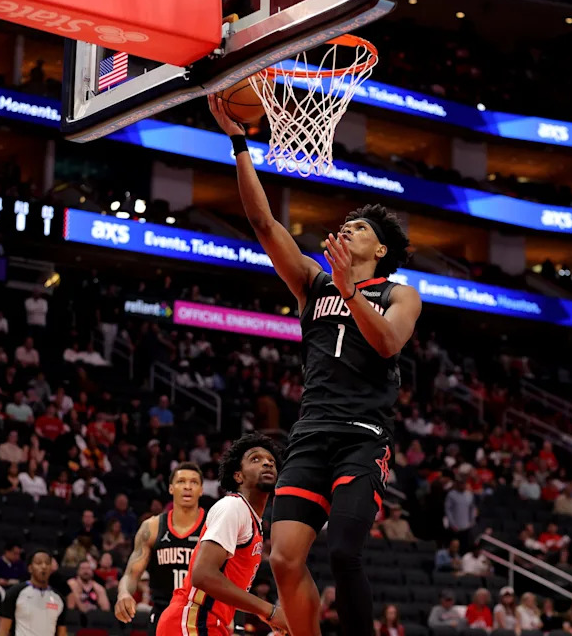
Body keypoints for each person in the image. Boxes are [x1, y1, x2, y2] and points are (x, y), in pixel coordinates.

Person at [209, 95, 422, 636]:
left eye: (360, 228)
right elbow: (262, 222)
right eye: (345, 224)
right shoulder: (312, 281)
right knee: (282, 558)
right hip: (311, 432)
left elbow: (388, 344)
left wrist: (352, 293)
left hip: (362, 435)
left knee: (344, 550)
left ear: (380, 250)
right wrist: (239, 142)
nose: (347, 229)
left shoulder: (400, 293)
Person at [156, 434, 287, 636]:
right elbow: (203, 575)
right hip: (191, 621)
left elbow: (226, 590)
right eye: (255, 459)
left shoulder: (253, 520)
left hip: (209, 623)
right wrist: (269, 611)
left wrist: (265, 614)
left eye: (271, 461)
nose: (267, 463)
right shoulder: (233, 506)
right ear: (238, 476)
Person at [115, 463, 205, 633]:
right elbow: (131, 574)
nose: (187, 486)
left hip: (201, 617)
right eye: (181, 481)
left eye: (194, 482)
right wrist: (124, 593)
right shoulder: (152, 527)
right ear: (171, 488)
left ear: (201, 490)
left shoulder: (213, 527)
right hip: (162, 615)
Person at [0, 549, 66, 636]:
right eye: (39, 563)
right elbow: (3, 631)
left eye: (47, 563)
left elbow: (62, 633)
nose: (44, 566)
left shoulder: (59, 599)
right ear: (30, 568)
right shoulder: (15, 593)